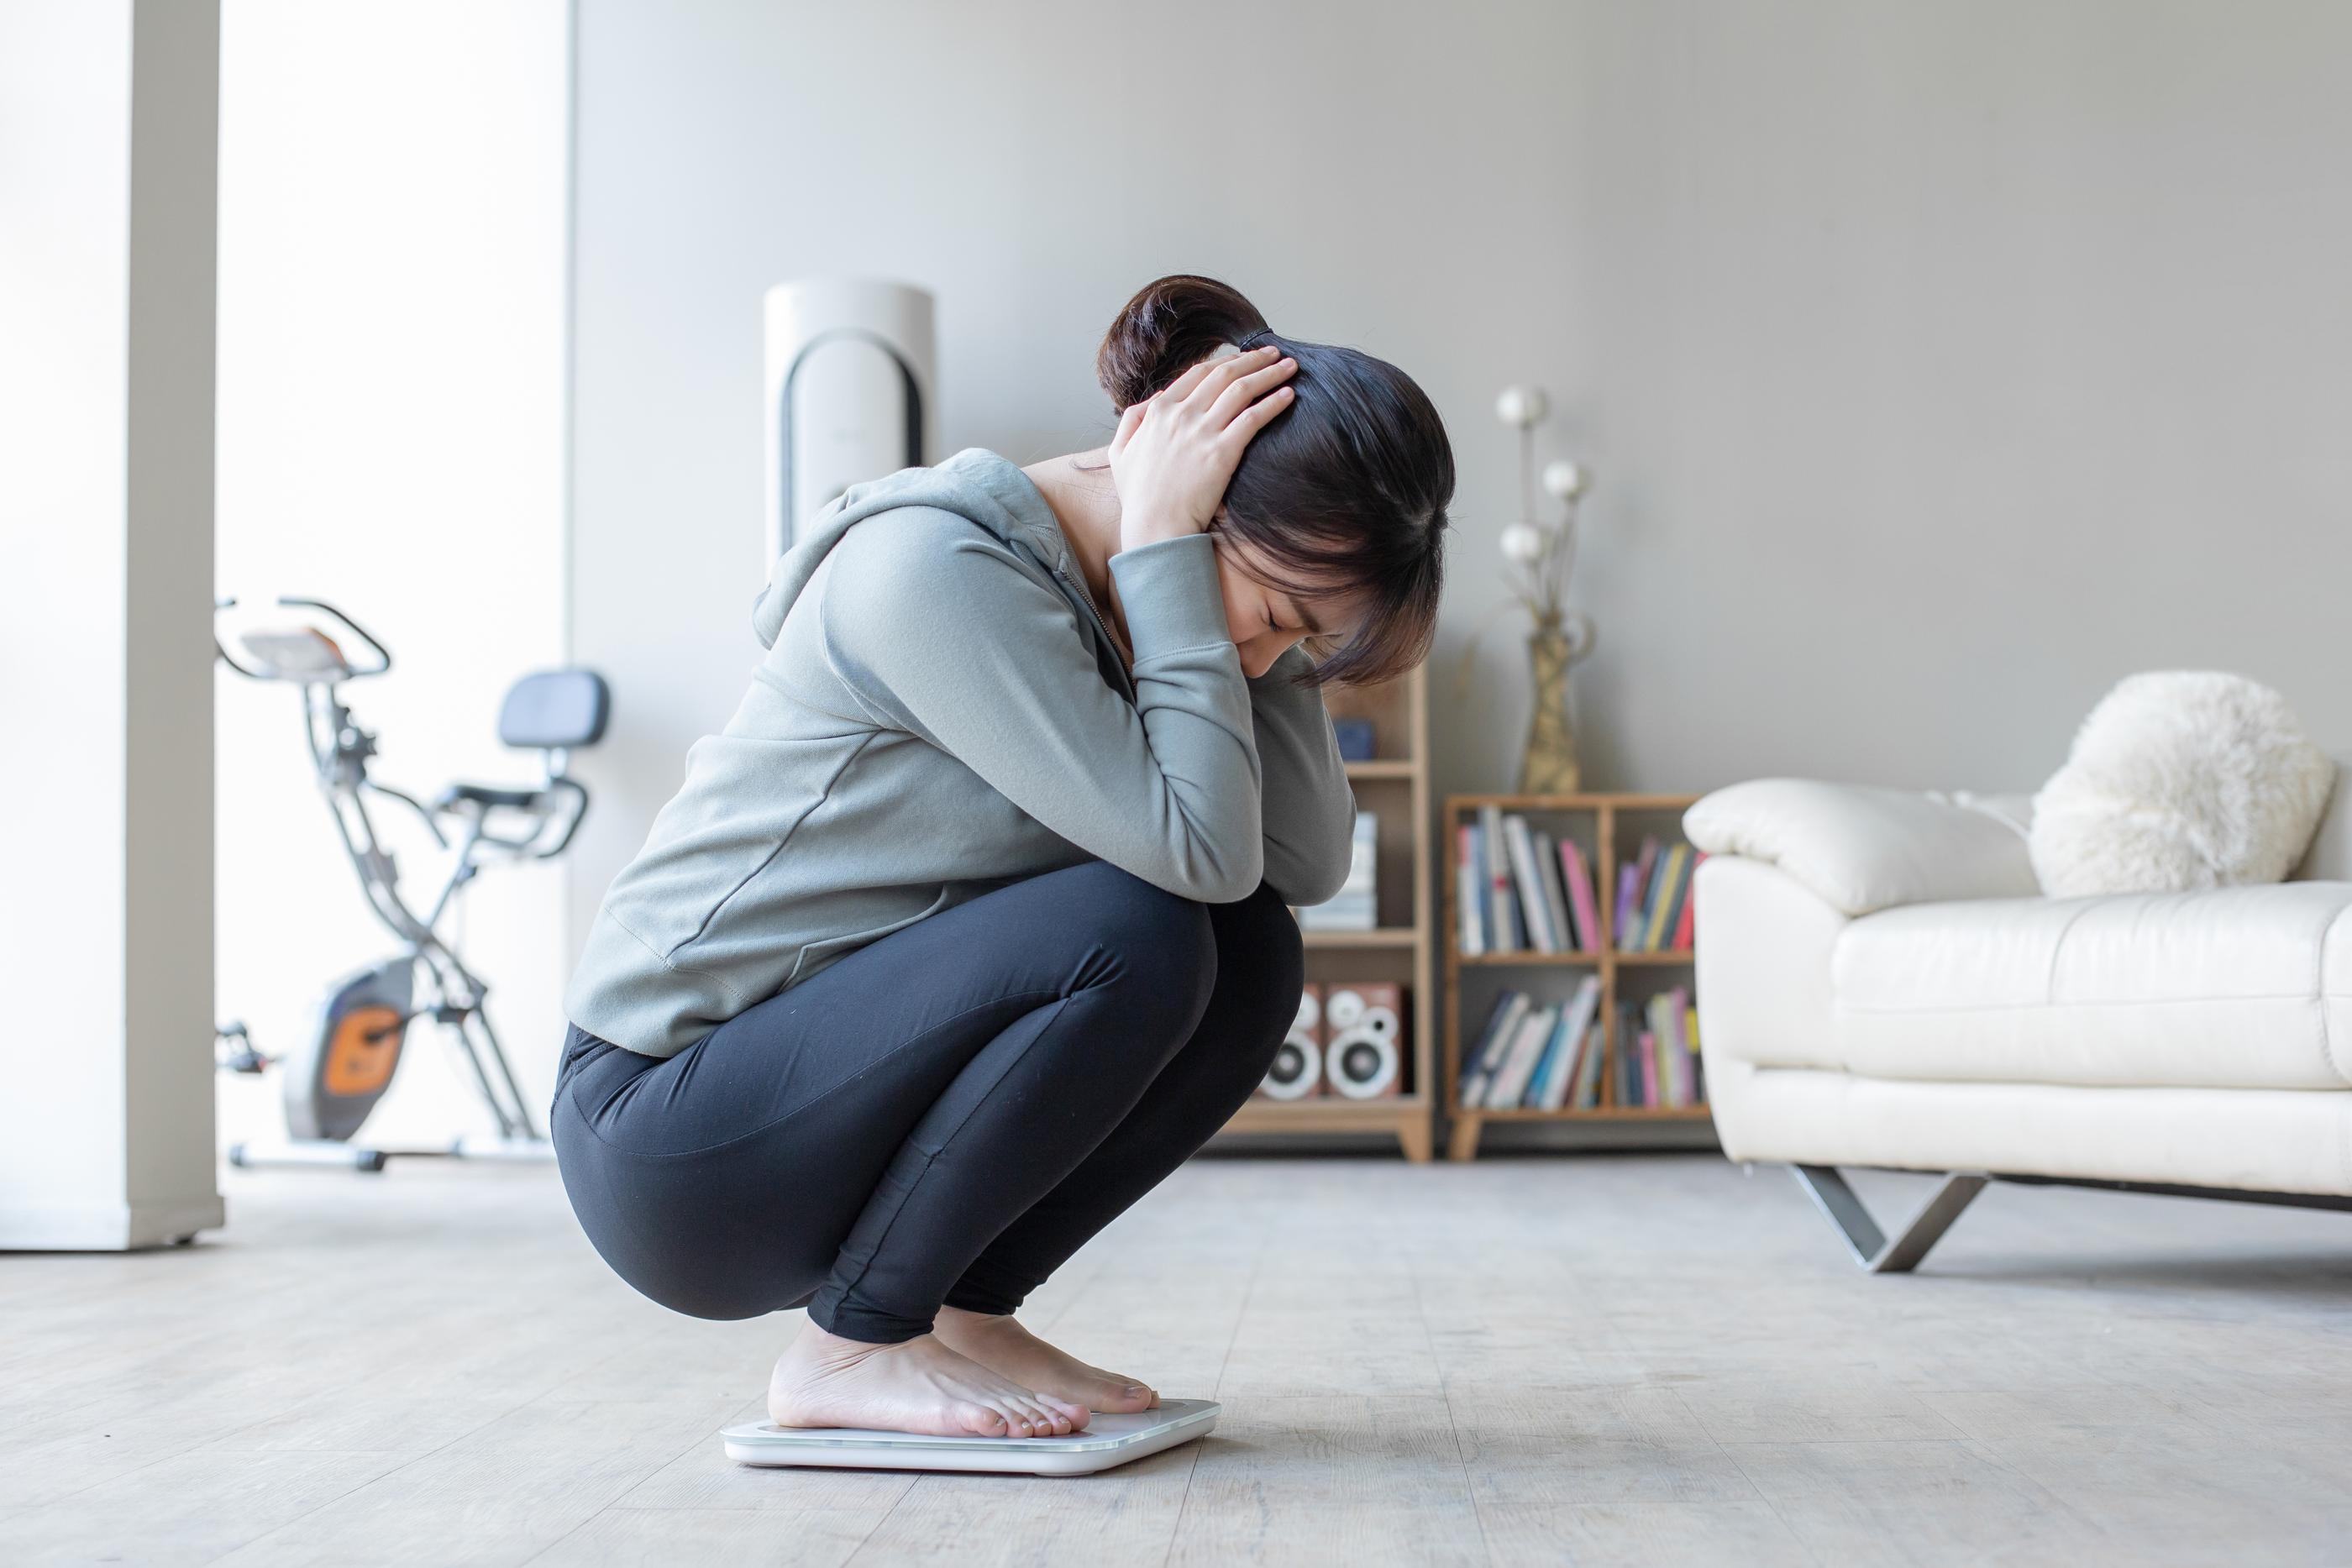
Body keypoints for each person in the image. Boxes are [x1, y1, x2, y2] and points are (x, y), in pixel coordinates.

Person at [554, 274, 1454, 1440]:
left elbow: (1305, 861)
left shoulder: (1150, 604)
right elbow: (1197, 851)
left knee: (1251, 952)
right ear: (1190, 498)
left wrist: (1249, 626)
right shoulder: (936, 571)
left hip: (822, 1099)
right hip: (669, 1138)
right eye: (1278, 611)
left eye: (1301, 641)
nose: (1262, 654)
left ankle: (965, 1312)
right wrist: (1171, 551)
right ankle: (850, 1350)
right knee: (1139, 930)